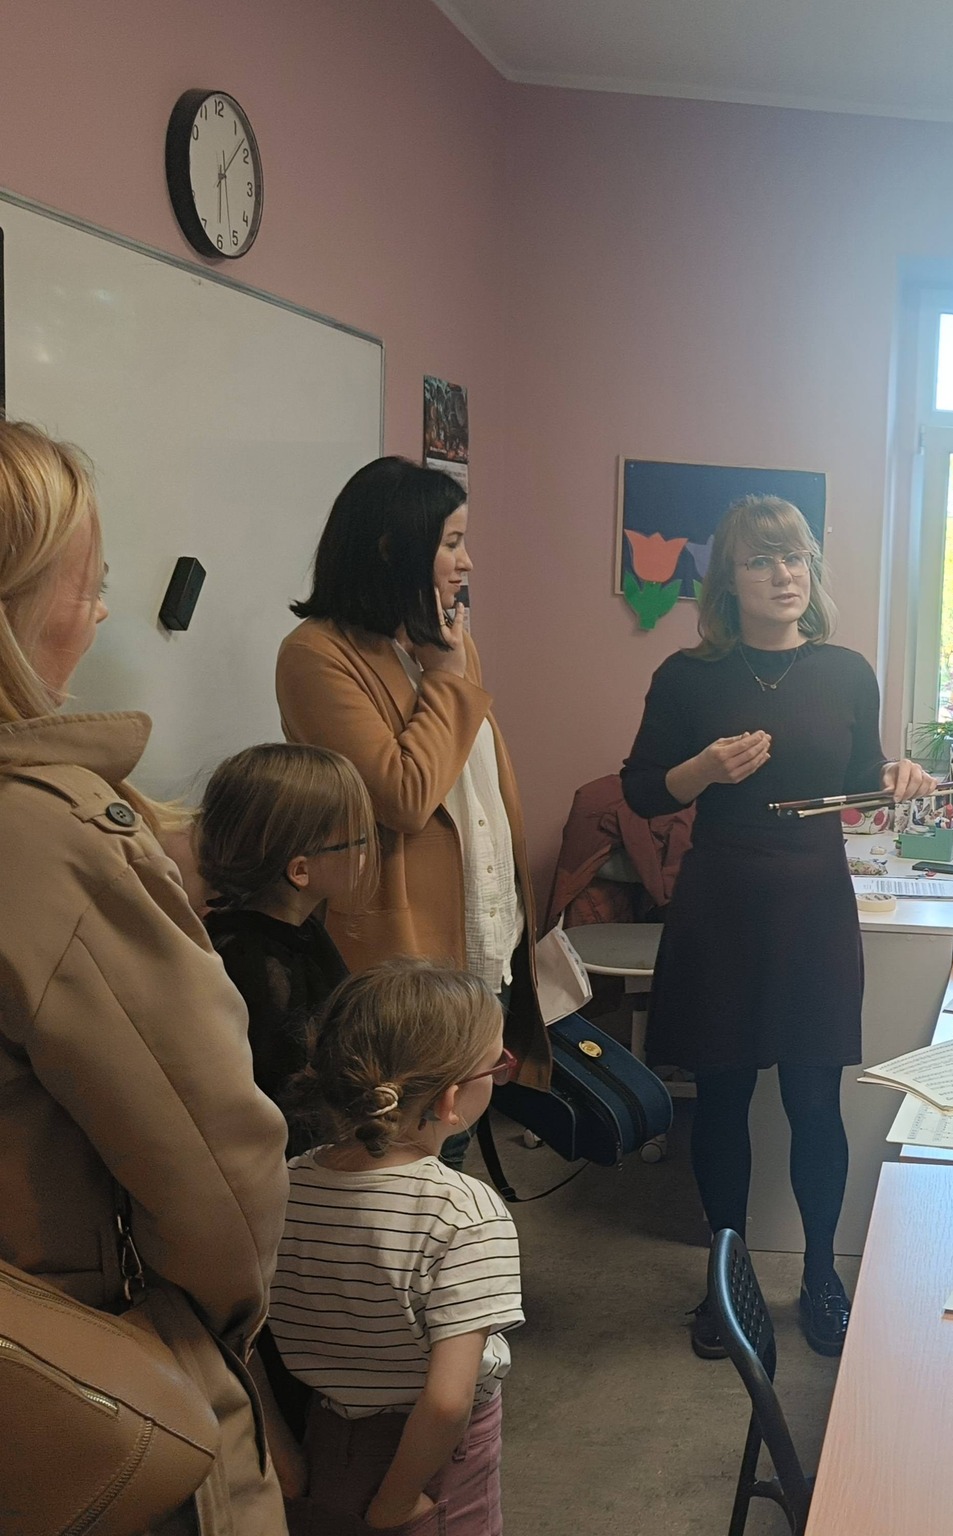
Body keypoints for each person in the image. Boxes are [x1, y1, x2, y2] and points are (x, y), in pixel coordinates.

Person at [0, 421, 289, 1533]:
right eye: (91, 584)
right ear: (21, 604)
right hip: (76, 1388)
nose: (101, 615)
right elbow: (217, 1171)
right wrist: (207, 1336)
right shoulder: (47, 841)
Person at [621, 495, 936, 1359]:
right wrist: (699, 770)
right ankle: (727, 1282)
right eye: (761, 560)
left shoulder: (845, 671)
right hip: (720, 904)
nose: (783, 575)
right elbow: (642, 790)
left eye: (794, 557)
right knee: (722, 1100)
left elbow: (865, 776)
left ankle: (822, 1276)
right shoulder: (686, 678)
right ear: (728, 579)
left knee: (814, 1099)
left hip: (813, 906)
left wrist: (898, 777)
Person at [277, 457, 549, 1171]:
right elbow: (402, 796)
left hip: (484, 936)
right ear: (392, 547)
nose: (467, 561)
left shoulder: (447, 640)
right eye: (452, 542)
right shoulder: (316, 655)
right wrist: (446, 681)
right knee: (401, 1149)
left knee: (453, 1137)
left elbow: (478, 787)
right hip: (403, 954)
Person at [270, 960, 523, 1536]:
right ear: (451, 1100)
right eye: (497, 1065)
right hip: (435, 1460)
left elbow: (237, 1330)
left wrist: (281, 1453)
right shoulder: (466, 1212)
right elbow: (447, 1401)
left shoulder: (285, 1184)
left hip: (326, 1430)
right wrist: (395, 1500)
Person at [197, 742, 376, 1144]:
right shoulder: (256, 965)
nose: (366, 854)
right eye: (358, 841)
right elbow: (284, 1097)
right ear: (300, 871)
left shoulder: (297, 931)